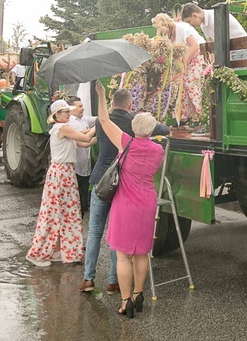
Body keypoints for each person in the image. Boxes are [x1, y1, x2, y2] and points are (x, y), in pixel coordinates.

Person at [79, 89, 169, 296]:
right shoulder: (133, 124)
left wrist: (101, 96)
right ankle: (113, 282)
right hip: (124, 187)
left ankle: (88, 278)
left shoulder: (103, 122)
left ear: (112, 103)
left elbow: (102, 117)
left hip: (102, 181)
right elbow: (163, 128)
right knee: (118, 237)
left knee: (95, 232)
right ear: (130, 105)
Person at [26, 100, 95, 267]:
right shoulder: (61, 128)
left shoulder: (64, 129)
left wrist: (99, 135)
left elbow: (84, 141)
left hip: (66, 172)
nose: (68, 114)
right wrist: (100, 127)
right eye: (65, 112)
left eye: (67, 111)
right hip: (61, 173)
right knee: (53, 213)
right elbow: (85, 136)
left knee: (64, 212)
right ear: (56, 115)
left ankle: (58, 250)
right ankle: (37, 254)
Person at [152, 13, 206, 124]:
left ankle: (200, 116)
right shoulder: (169, 35)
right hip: (187, 59)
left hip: (199, 55)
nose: (161, 32)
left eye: (160, 28)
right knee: (181, 85)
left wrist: (184, 63)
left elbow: (195, 46)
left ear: (164, 24)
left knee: (191, 83)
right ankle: (184, 117)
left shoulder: (181, 28)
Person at [181, 2, 247, 61]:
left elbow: (224, 42)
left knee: (234, 74)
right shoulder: (203, 25)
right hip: (229, 50)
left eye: (189, 21)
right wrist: (212, 63)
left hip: (240, 48)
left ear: (195, 15)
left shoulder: (215, 18)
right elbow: (210, 43)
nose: (190, 24)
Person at [67, 96, 96, 217]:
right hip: (76, 164)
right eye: (80, 106)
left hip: (85, 163)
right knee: (77, 191)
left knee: (84, 187)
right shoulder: (71, 122)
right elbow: (83, 140)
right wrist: (94, 132)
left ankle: (83, 208)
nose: (83, 108)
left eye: (82, 106)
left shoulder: (83, 119)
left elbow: (97, 120)